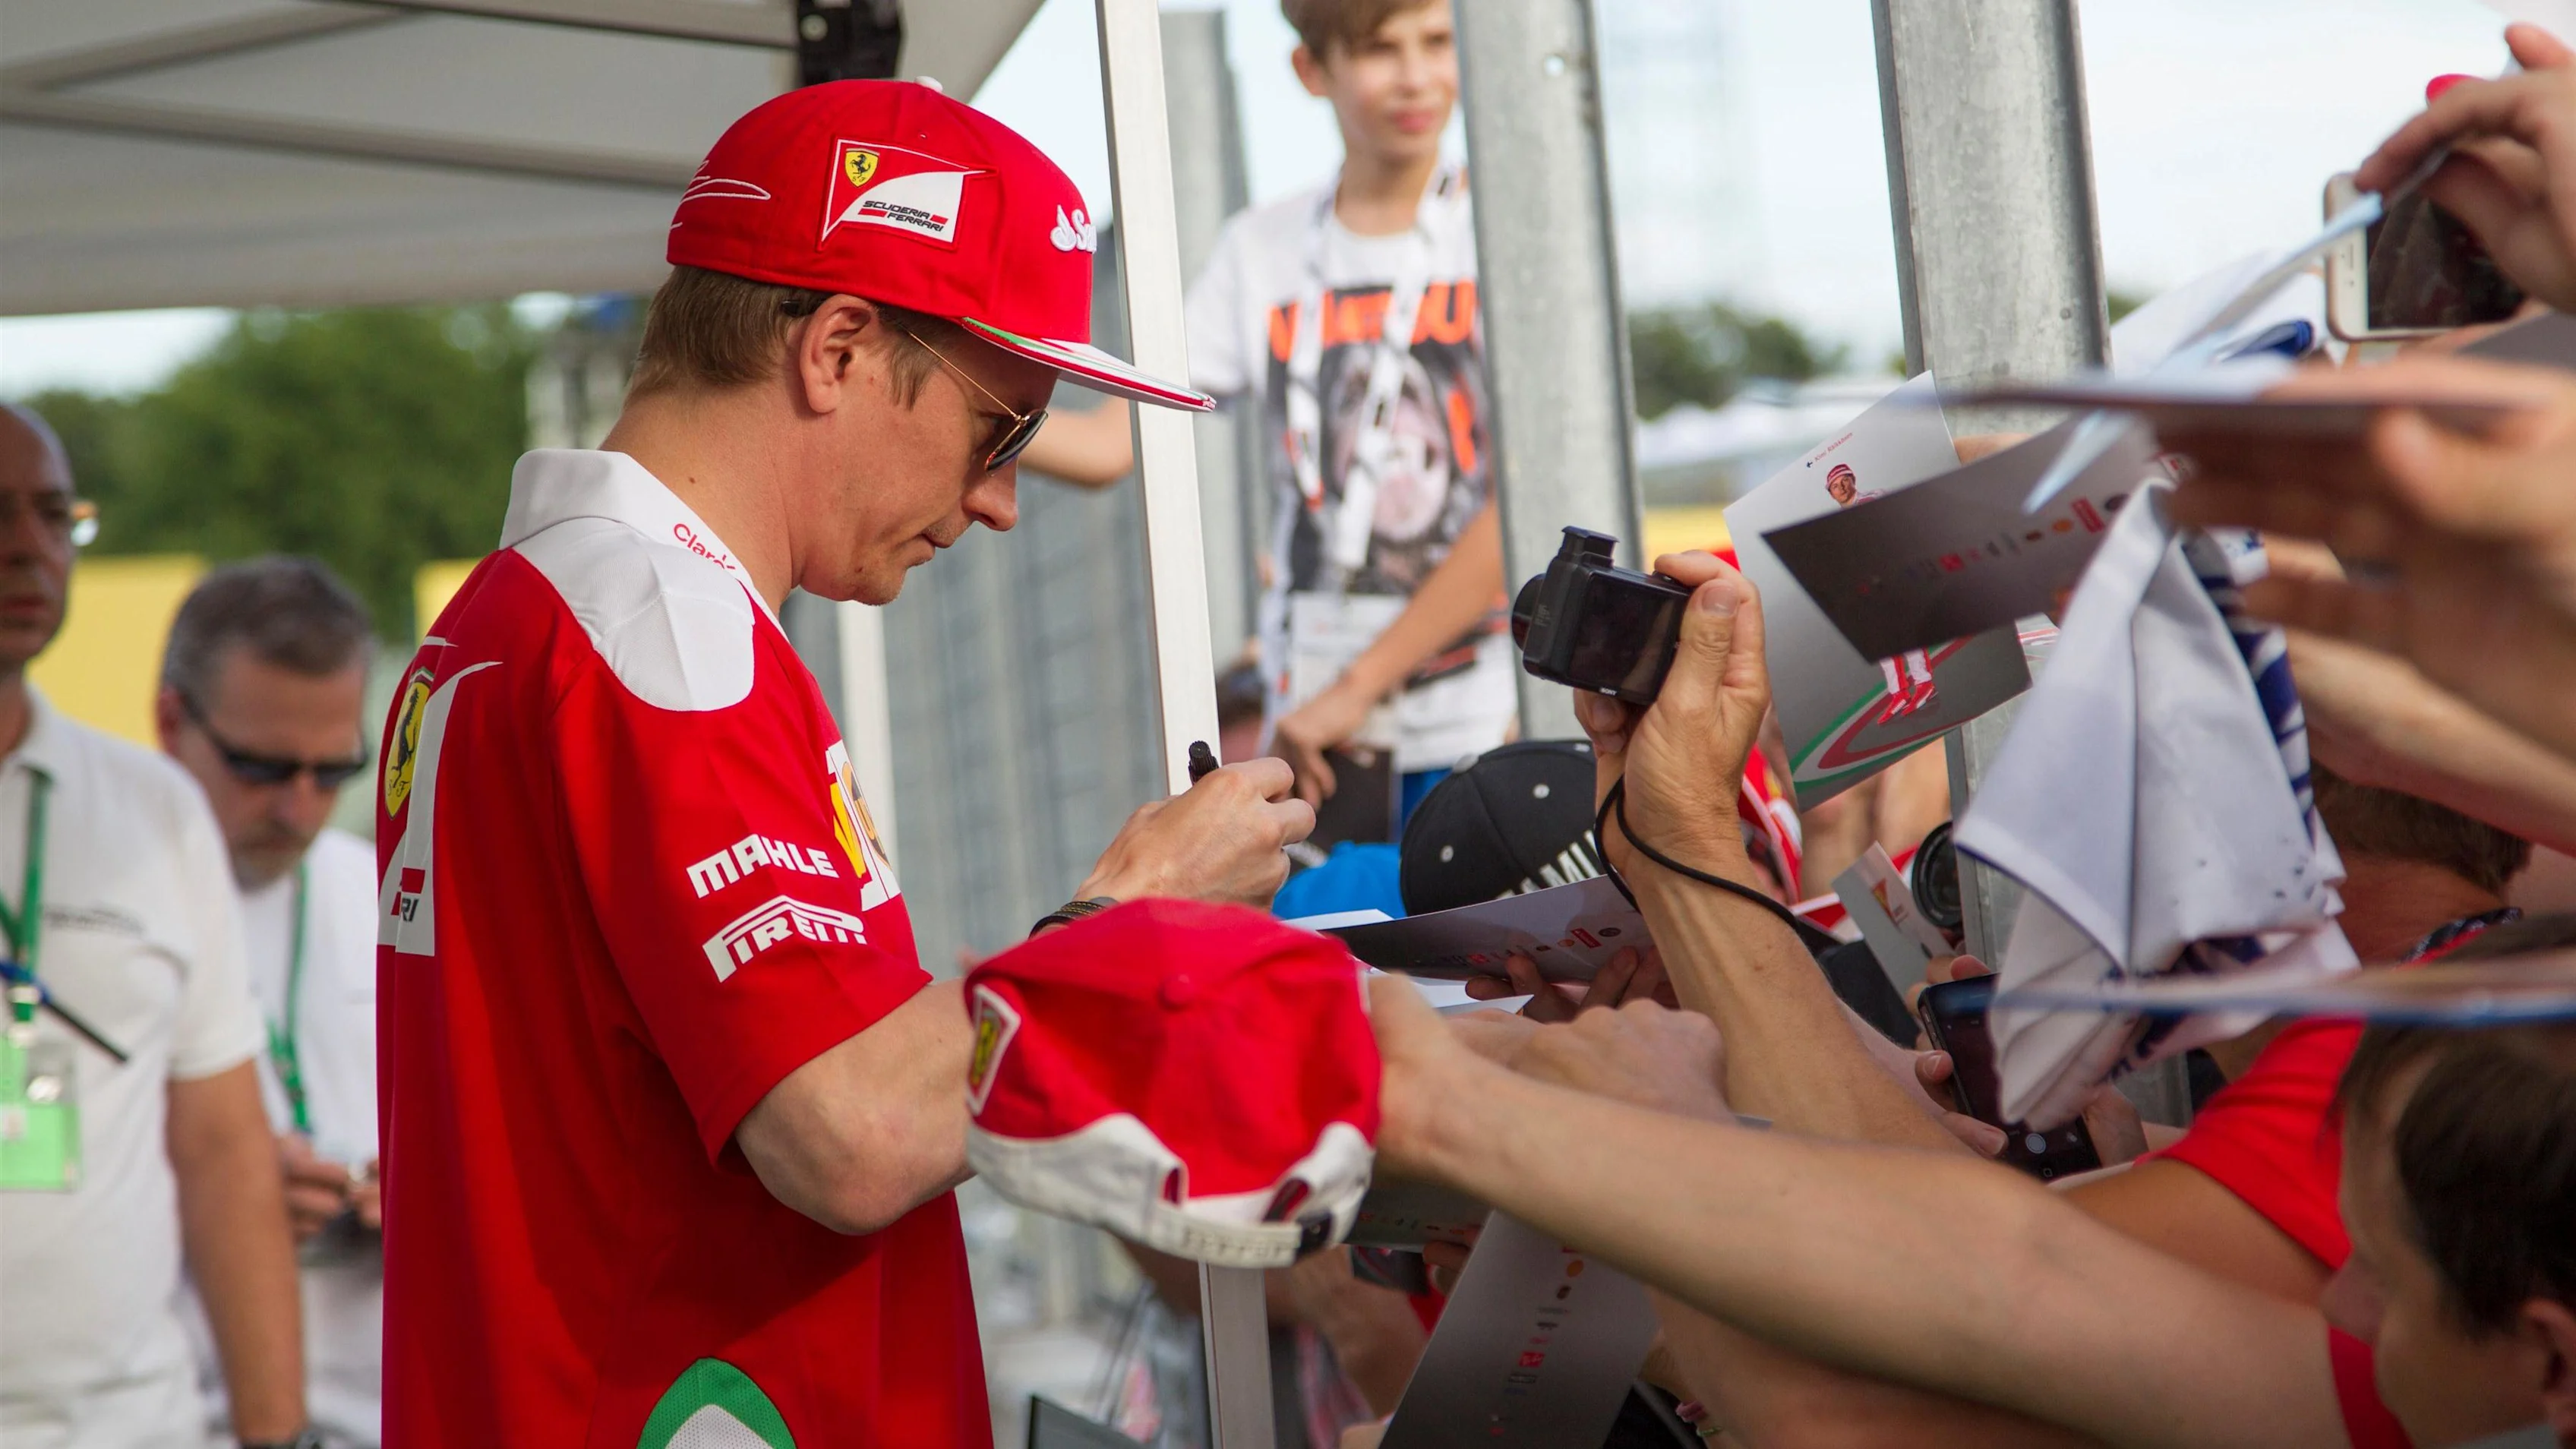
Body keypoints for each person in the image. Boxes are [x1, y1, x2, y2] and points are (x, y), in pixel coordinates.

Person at [374, 82, 1312, 1447]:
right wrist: (1134, 918)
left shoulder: (501, 619)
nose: (998, 501)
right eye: (1002, 430)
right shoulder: (667, 635)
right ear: (840, 350)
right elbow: (854, 1131)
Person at [1362, 952, 2576, 1447]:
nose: (2336, 1292)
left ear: (2550, 1360)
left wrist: (1603, 1128)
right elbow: (2021, 1272)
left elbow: (1839, 1402)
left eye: (2383, 1265)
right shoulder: (2445, 1387)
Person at [1021, 0, 1513, 820]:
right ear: (1310, 71)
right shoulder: (1264, 248)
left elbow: (1521, 509)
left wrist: (1356, 688)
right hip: (1320, 739)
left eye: (1435, 42)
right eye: (1380, 50)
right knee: (1341, 947)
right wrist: (965, 405)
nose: (1416, 76)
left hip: (1479, 722)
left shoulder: (1497, 230)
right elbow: (1116, 444)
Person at [0, 405, 311, 1447]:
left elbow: (224, 1151)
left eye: (53, 516)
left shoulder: (153, 807)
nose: (27, 549)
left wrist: (276, 1433)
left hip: (135, 1424)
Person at [156, 558, 383, 1447]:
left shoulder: (385, 897)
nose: (299, 808)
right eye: (261, 768)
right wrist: (214, 1195)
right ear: (172, 721)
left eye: (333, 771)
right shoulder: (85, 898)